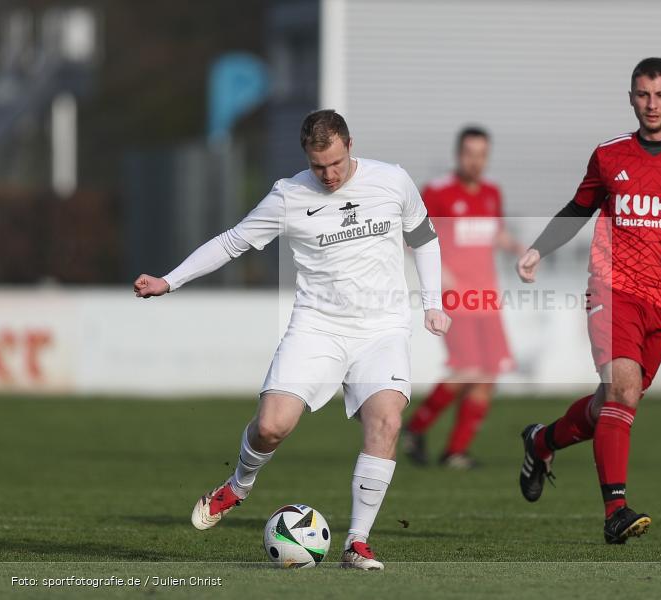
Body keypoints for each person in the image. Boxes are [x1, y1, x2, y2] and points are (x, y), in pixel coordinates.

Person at [133, 110, 450, 570]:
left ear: (349, 145)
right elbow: (231, 242)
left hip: (381, 329)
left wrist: (433, 303)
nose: (329, 174)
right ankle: (239, 485)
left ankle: (356, 543)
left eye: (336, 163)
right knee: (270, 427)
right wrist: (170, 280)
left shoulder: (393, 181)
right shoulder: (288, 195)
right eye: (319, 166)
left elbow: (424, 237)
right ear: (307, 157)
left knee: (386, 424)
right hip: (317, 326)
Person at [514, 58, 661, 544]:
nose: (652, 104)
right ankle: (615, 511)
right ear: (631, 97)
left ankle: (542, 440)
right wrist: (537, 248)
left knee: (615, 402)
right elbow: (578, 208)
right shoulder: (610, 155)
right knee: (621, 389)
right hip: (611, 287)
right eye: (643, 94)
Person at [402, 126, 524, 469]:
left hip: (487, 296)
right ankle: (416, 427)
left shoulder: (491, 192)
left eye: (481, 154)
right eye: (469, 154)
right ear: (459, 154)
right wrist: (441, 274)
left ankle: (455, 451)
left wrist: (516, 247)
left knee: (488, 375)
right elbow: (412, 236)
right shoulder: (438, 192)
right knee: (468, 368)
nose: (475, 161)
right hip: (456, 297)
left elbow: (492, 231)